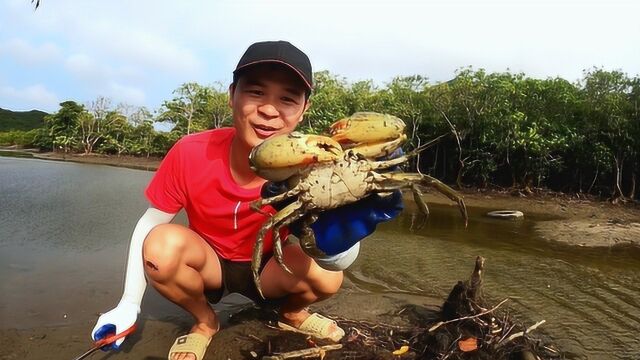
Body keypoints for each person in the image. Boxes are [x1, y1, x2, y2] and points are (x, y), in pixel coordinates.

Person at [91, 40, 403, 360]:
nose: (269, 109)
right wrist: (128, 303)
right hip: (209, 265)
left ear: (304, 109)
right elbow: (150, 222)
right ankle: (204, 322)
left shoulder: (318, 166)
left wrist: (340, 244)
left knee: (328, 275)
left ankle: (293, 313)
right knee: (160, 246)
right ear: (232, 96)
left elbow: (331, 250)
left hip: (269, 268)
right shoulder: (190, 151)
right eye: (256, 92)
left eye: (287, 98)